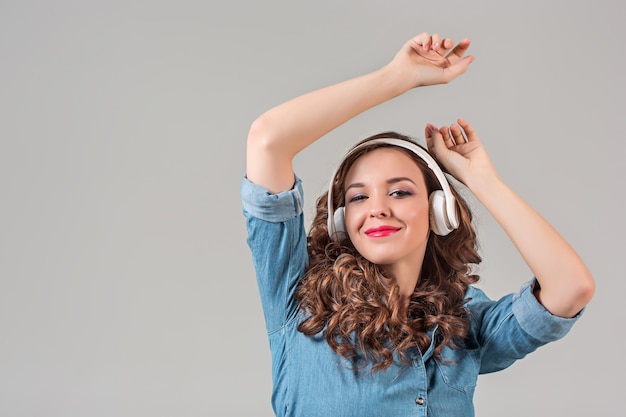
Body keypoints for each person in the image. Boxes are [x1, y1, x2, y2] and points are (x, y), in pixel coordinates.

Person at [241, 32, 594, 417]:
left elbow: (570, 288)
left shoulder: (462, 319)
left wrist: (481, 178)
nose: (377, 209)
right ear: (342, 221)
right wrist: (398, 77)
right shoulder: (299, 299)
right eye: (359, 197)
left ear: (438, 210)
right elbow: (268, 140)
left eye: (399, 193)